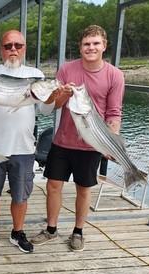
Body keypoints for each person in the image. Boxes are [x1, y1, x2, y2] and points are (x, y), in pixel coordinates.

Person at [31, 24, 125, 251]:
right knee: (53, 186)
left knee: (84, 188)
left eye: (95, 43)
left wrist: (111, 142)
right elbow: (55, 106)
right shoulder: (66, 69)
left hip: (93, 142)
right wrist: (61, 95)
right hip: (62, 141)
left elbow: (113, 113)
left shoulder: (115, 75)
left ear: (104, 46)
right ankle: (51, 229)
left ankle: (78, 232)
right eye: (86, 44)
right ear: (80, 47)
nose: (90, 47)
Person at [0, 30, 62, 254]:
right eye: (8, 45)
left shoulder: (35, 74)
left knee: (21, 195)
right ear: (1, 49)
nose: (13, 49)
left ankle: (17, 232)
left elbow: (46, 109)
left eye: (17, 46)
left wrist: (52, 96)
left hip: (23, 148)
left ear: (24, 48)